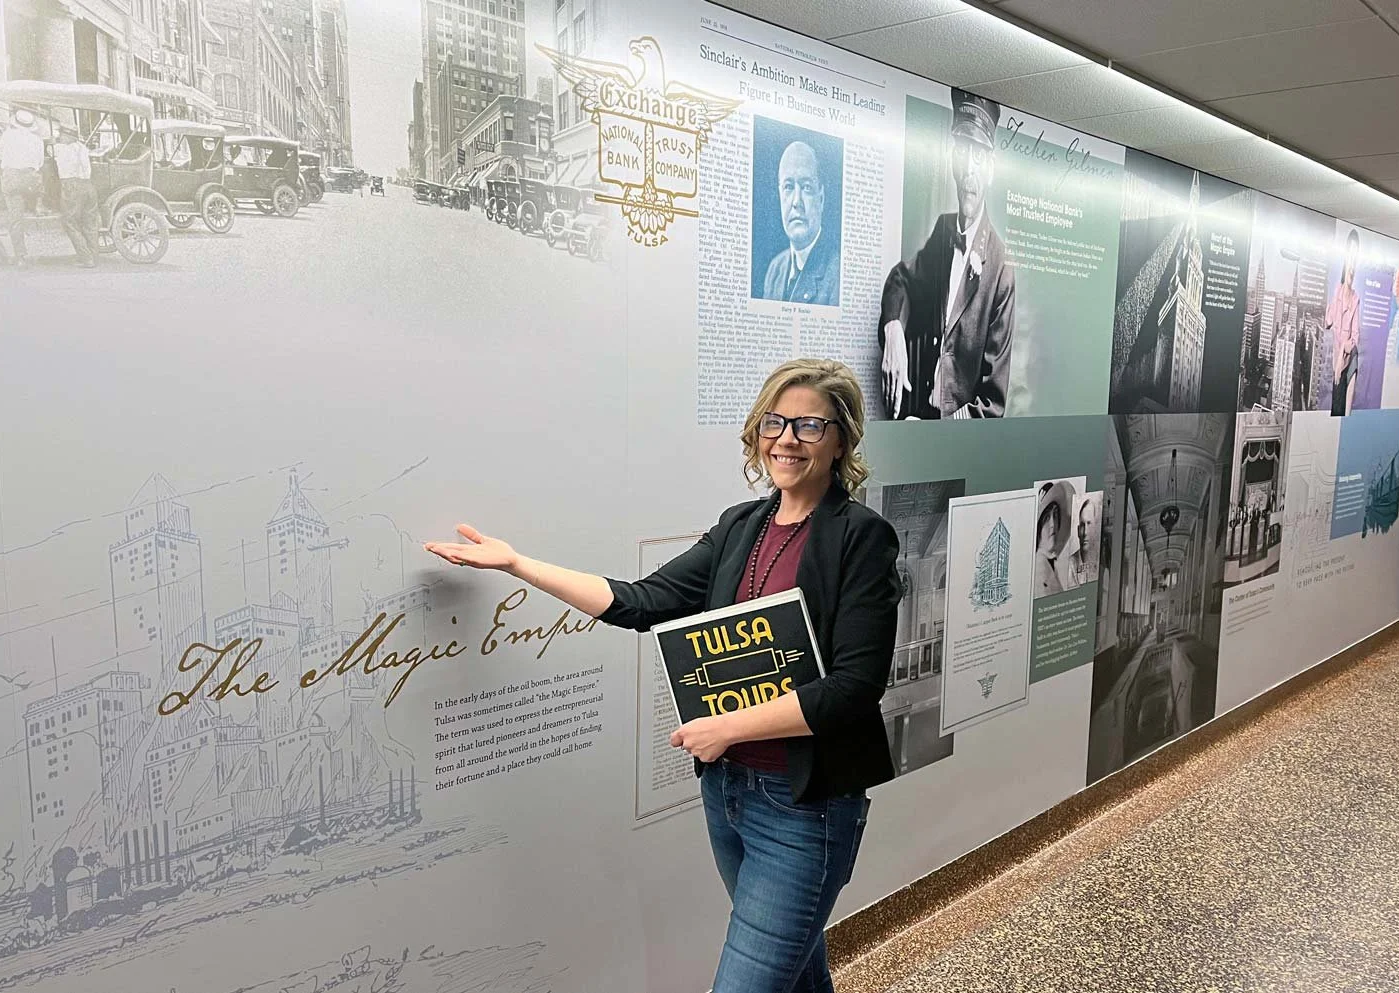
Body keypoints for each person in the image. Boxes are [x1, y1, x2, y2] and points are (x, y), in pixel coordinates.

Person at [423, 358, 901, 993]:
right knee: (797, 975)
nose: (787, 439)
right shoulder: (742, 526)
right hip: (728, 793)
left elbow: (853, 689)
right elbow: (641, 602)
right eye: (775, 422)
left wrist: (726, 727)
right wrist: (517, 564)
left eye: (809, 425)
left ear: (840, 440)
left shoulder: (862, 537)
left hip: (804, 807)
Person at [878, 89, 1015, 420]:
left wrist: (935, 435)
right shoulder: (944, 229)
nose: (968, 170)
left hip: (954, 438)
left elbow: (992, 405)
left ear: (991, 169)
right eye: (962, 152)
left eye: (978, 157)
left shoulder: (1002, 270)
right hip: (915, 416)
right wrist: (893, 328)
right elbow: (900, 278)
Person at [761, 141, 840, 307]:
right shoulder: (775, 270)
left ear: (821, 198)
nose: (796, 201)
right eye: (788, 187)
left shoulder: (837, 274)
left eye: (806, 187)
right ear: (780, 195)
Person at [0, 108, 46, 265]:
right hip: (30, 180)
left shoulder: (7, 135)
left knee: (15, 217)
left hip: (12, 178)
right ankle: (38, 205)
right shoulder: (37, 139)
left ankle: (20, 256)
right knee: (37, 184)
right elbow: (40, 163)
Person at [52, 121, 98, 269]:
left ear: (66, 136)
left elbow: (50, 150)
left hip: (71, 186)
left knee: (70, 222)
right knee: (89, 222)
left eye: (61, 134)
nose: (60, 137)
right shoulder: (82, 148)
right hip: (88, 185)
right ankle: (94, 255)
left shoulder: (60, 149)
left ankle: (86, 258)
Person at [1329, 228, 1361, 415]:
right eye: (1350, 256)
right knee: (1336, 407)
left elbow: (1355, 338)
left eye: (1355, 258)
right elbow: (1328, 321)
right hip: (1336, 365)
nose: (1352, 265)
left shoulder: (1356, 299)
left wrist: (1343, 350)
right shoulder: (1337, 291)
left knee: (1354, 361)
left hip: (1348, 361)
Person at [1034, 480, 1074, 597]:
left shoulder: (1052, 562)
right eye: (1047, 518)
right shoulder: (1039, 567)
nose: (1053, 524)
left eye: (1055, 515)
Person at [1067, 495, 1099, 588]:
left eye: (1089, 523)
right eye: (1082, 525)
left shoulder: (1100, 560)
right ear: (1078, 531)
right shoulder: (1070, 565)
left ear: (1095, 529)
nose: (1085, 532)